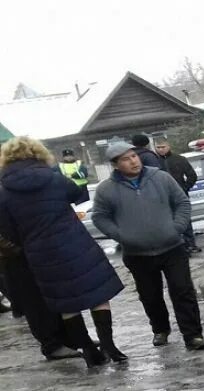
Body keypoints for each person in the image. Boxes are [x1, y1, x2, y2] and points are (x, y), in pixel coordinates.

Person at [0, 137, 126, 366]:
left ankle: (88, 350)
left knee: (65, 302)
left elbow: (7, 228)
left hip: (39, 253)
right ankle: (109, 344)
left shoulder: (4, 191)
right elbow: (76, 194)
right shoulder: (53, 177)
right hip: (74, 242)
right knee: (98, 294)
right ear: (38, 153)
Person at [91, 142, 204, 351]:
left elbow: (181, 202)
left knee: (182, 290)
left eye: (134, 156)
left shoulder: (160, 177)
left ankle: (193, 335)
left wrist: (177, 227)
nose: (133, 161)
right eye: (126, 159)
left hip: (172, 247)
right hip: (137, 253)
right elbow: (100, 217)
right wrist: (122, 236)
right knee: (150, 294)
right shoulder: (106, 189)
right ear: (116, 165)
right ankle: (160, 329)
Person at [0, 233, 82, 361]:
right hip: (16, 254)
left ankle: (68, 339)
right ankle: (52, 345)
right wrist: (10, 246)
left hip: (33, 248)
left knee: (51, 294)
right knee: (33, 301)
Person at [155, 139, 200, 254]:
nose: (161, 149)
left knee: (185, 220)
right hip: (163, 197)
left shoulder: (179, 159)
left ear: (169, 146)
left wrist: (184, 188)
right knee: (168, 222)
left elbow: (192, 176)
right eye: (158, 147)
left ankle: (190, 244)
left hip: (180, 195)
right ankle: (178, 246)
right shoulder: (154, 162)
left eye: (163, 147)